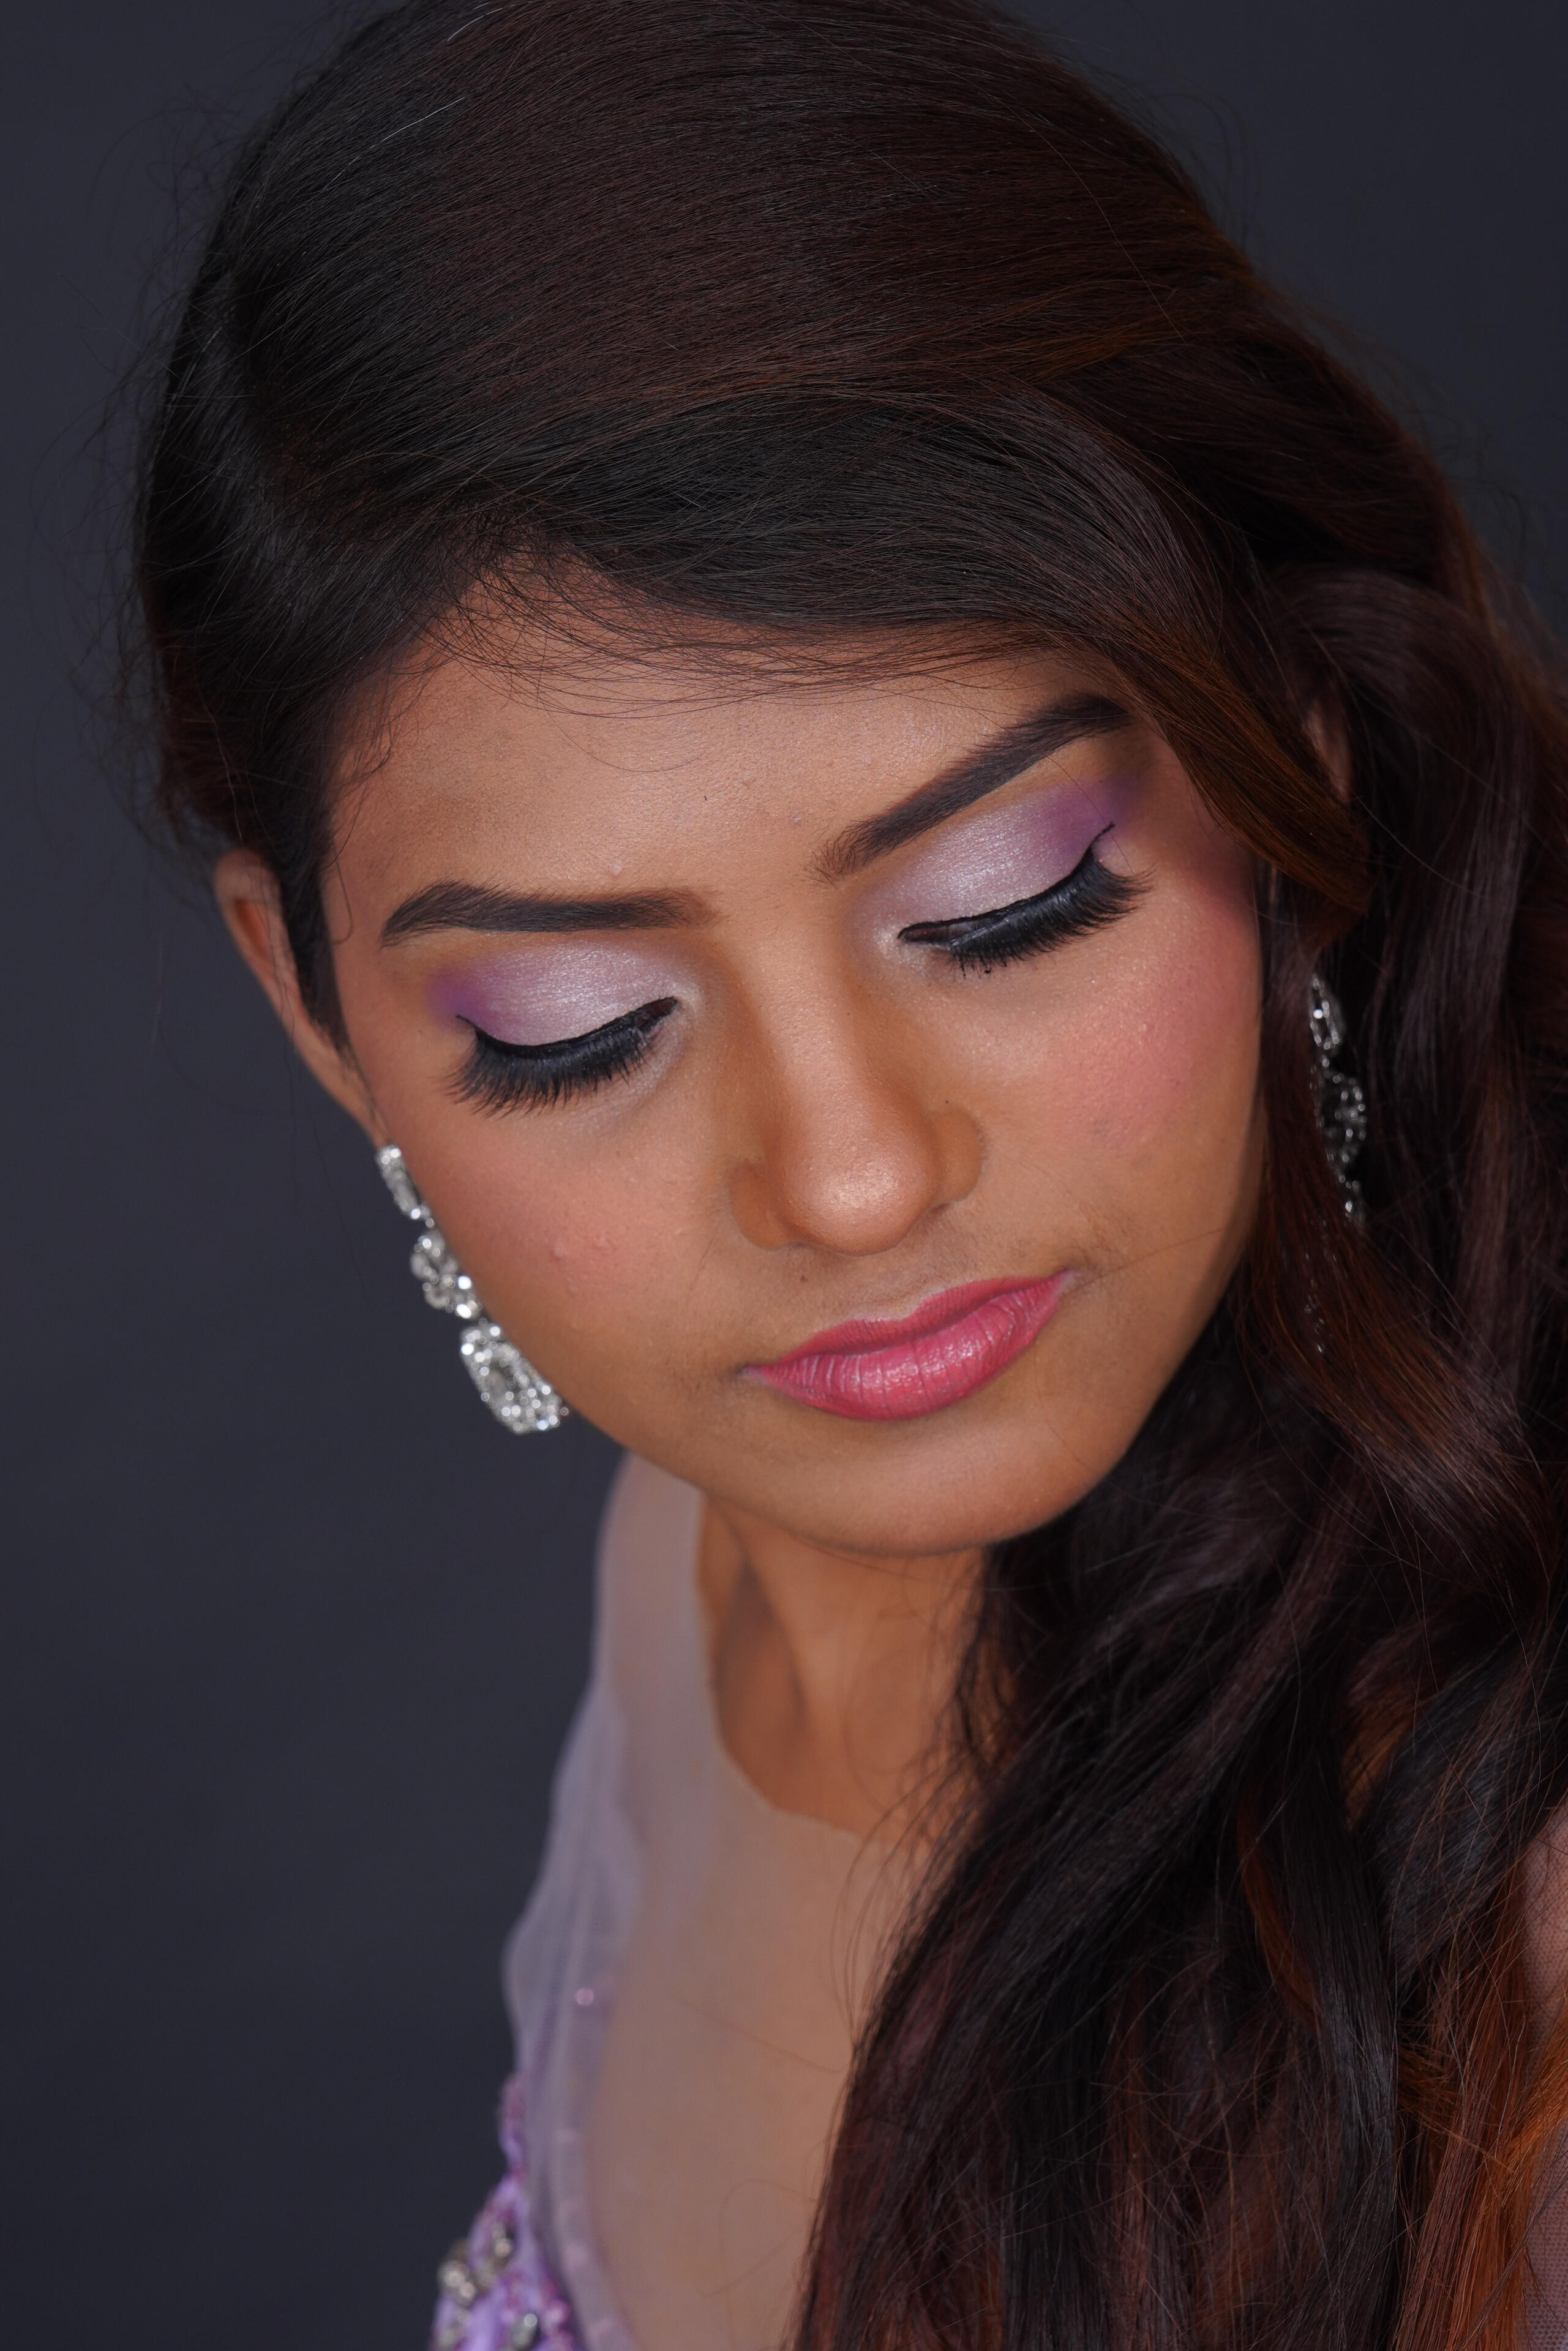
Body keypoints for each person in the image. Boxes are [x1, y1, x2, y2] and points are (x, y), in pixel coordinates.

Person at [127, 1, 1568, 2345]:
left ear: (1292, 757)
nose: (854, 1182)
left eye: (1007, 902)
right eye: (572, 1028)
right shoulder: (698, 1548)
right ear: (314, 1011)